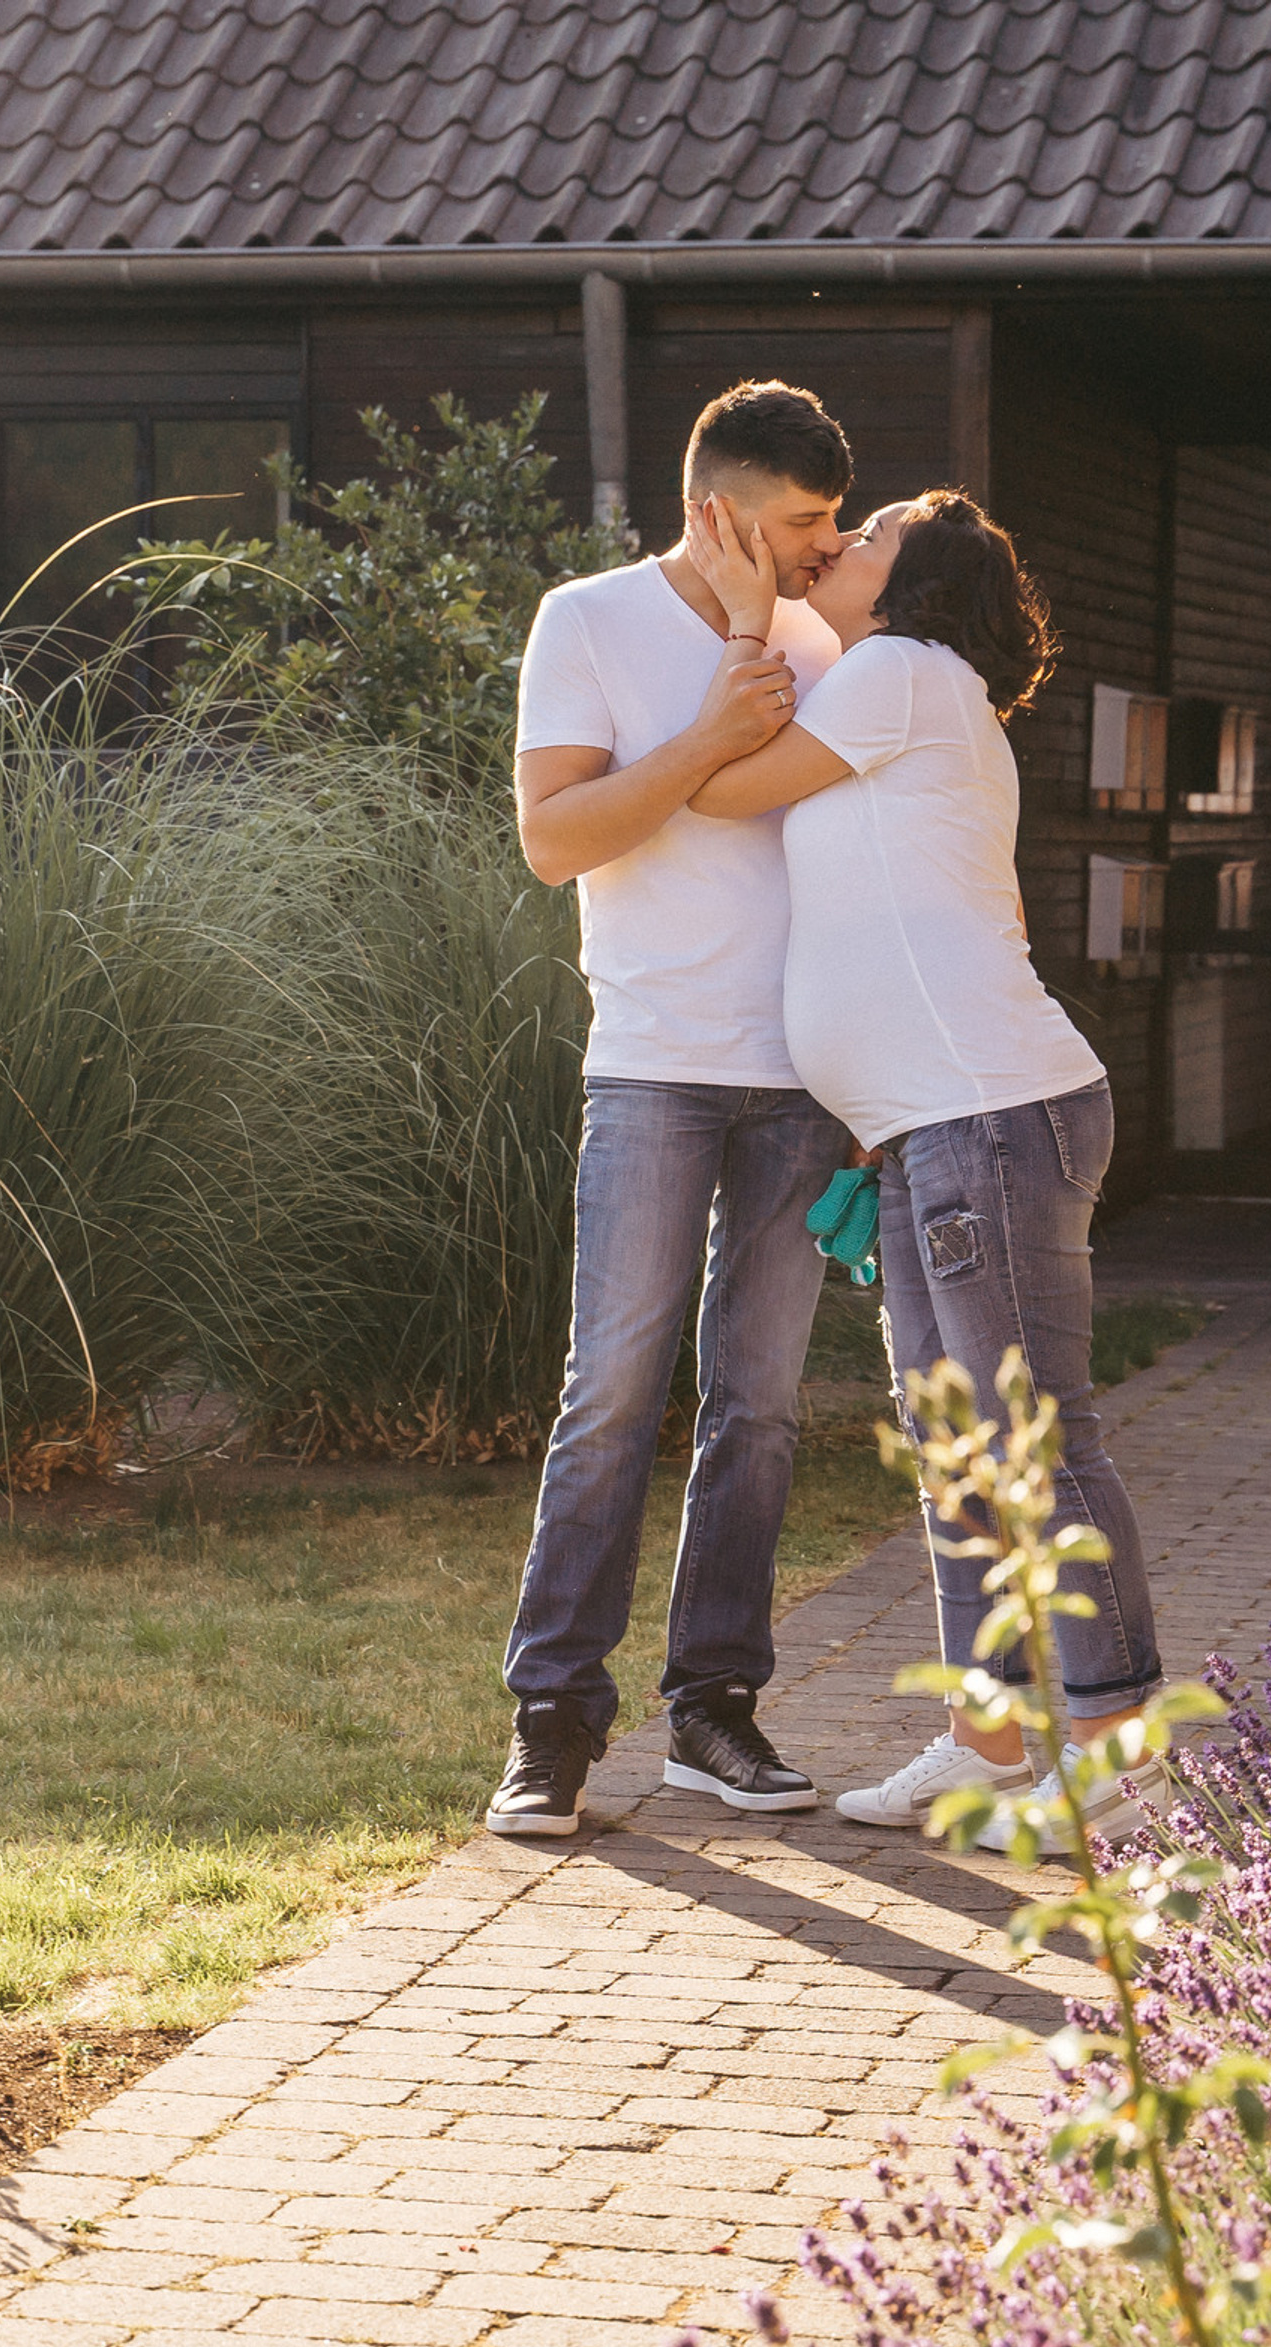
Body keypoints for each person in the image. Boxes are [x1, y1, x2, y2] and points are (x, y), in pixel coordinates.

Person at [684, 488, 1171, 1847]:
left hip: (988, 1112)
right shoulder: (907, 690)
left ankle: (1112, 1746)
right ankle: (989, 1737)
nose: (841, 543)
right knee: (962, 1455)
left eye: (874, 528)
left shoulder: (899, 673)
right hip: (932, 1126)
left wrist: (741, 614)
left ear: (922, 580)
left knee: (1033, 1440)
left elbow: (719, 786)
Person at [484, 381, 857, 1838]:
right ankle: (553, 1725)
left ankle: (714, 1709)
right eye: (802, 520)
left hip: (800, 1076)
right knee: (612, 1394)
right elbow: (554, 841)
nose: (825, 546)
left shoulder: (828, 644)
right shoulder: (586, 623)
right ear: (717, 512)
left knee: (759, 1409)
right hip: (649, 1063)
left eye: (834, 520)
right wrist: (702, 737)